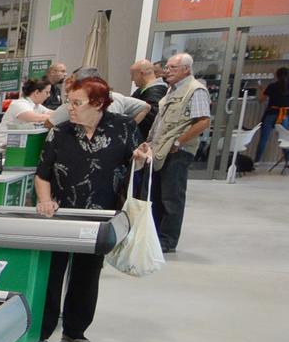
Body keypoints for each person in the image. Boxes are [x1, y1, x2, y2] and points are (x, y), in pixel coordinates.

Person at [34, 76, 154, 342]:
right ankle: (42, 329)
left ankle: (75, 329)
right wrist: (45, 201)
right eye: (69, 102)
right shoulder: (60, 133)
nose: (70, 108)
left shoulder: (123, 128)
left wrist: (140, 158)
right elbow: (42, 174)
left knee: (87, 274)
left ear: (98, 103)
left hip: (101, 215)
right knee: (52, 272)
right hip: (60, 215)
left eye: (77, 103)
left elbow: (136, 162)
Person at [147, 52, 211, 253]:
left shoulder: (195, 90)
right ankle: (156, 236)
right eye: (167, 67)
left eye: (173, 67)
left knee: (171, 197)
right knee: (157, 195)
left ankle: (167, 241)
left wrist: (178, 141)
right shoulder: (171, 90)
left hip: (178, 151)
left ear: (186, 69)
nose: (168, 71)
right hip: (160, 150)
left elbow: (203, 121)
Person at [44, 69, 149, 128]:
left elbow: (49, 123)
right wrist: (130, 127)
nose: (69, 84)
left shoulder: (73, 104)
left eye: (72, 81)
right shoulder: (117, 96)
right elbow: (145, 107)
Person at [0, 78, 53, 151]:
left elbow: (53, 113)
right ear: (36, 92)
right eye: (47, 92)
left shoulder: (37, 106)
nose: (48, 95)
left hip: (11, 149)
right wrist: (56, 117)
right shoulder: (19, 104)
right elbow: (37, 118)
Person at [255, 67, 289, 162]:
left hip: (271, 114)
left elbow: (261, 100)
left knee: (263, 139)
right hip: (284, 115)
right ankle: (287, 162)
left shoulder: (272, 86)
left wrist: (262, 90)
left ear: (277, 76)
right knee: (284, 139)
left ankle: (256, 162)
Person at [129, 58, 168, 140]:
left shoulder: (156, 91)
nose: (132, 79)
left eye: (133, 75)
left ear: (141, 74)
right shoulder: (143, 90)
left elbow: (151, 118)